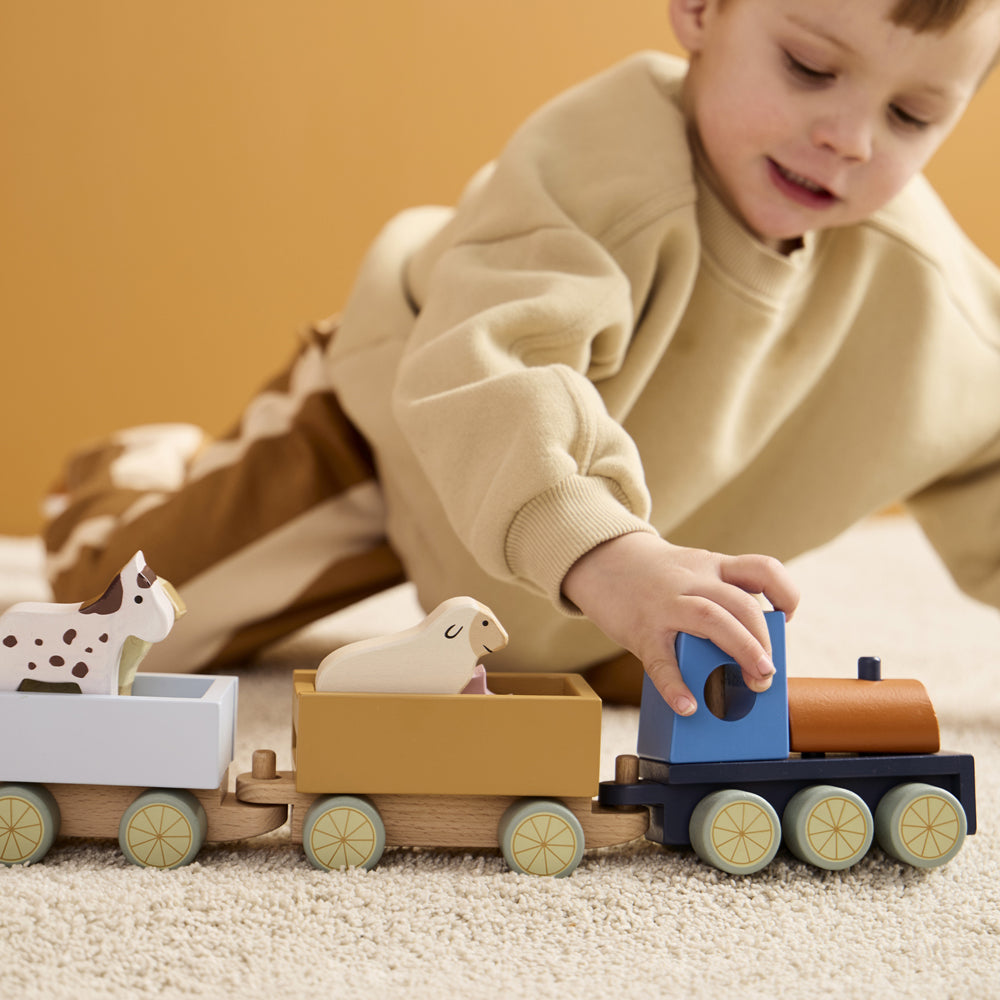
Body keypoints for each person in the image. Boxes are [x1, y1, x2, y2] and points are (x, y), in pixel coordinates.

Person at [43, 0, 1000, 713]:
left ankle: (587, 573)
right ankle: (128, 474)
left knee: (660, 680)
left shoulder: (930, 301)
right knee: (127, 631)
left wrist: (625, 566)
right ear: (703, 9)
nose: (851, 137)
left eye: (914, 117)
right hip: (410, 433)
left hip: (586, 557)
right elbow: (501, 366)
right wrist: (611, 554)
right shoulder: (603, 161)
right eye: (806, 66)